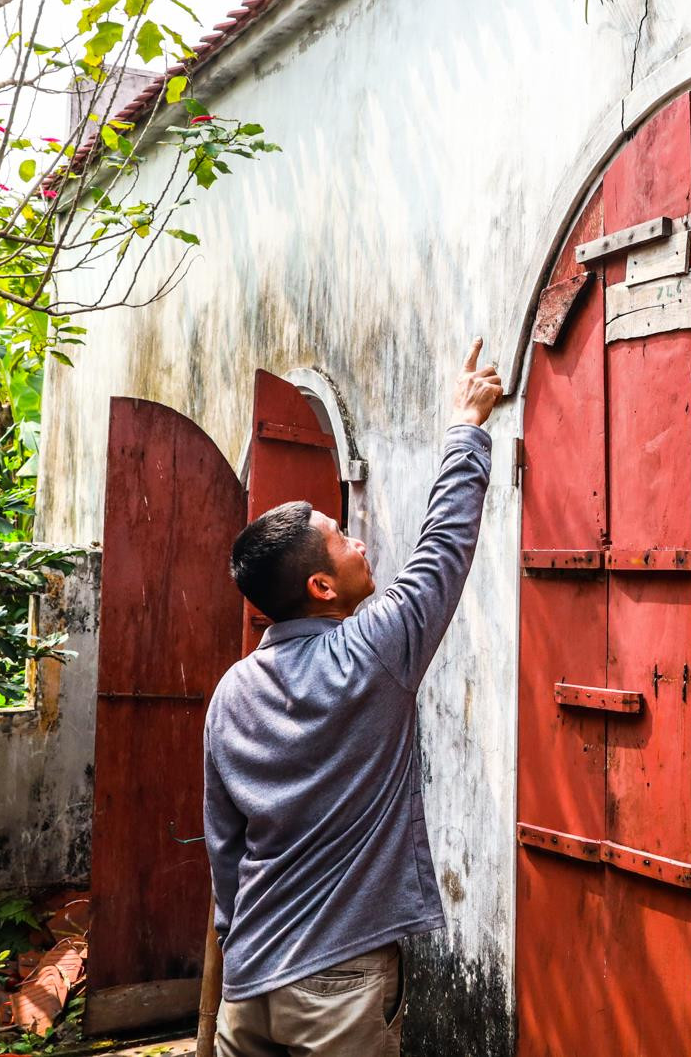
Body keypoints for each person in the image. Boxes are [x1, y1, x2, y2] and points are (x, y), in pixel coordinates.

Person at [204, 339, 504, 1056]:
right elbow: (444, 546)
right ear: (321, 586)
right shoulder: (372, 653)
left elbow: (225, 845)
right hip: (338, 982)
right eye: (343, 539)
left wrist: (237, 941)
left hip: (249, 982)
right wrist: (466, 424)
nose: (360, 542)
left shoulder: (231, 690)